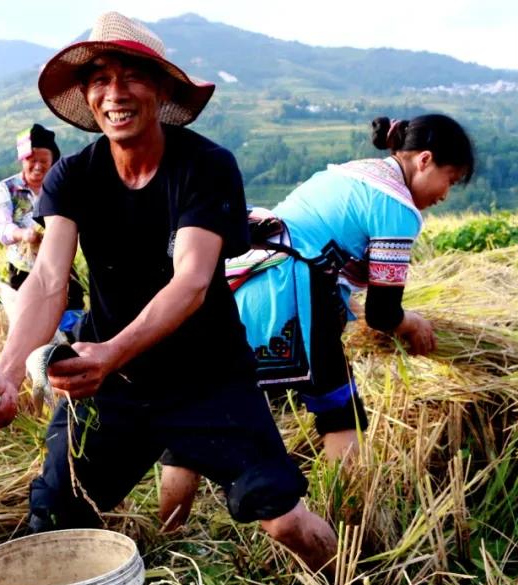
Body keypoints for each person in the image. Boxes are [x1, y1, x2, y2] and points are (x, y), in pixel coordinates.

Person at [0, 11, 338, 572]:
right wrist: (7, 372)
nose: (114, 93)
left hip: (208, 379)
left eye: (131, 76)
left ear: (163, 87)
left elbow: (190, 281)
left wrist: (111, 351)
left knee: (283, 516)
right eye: (99, 79)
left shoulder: (206, 166)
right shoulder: (74, 177)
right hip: (113, 390)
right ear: (86, 95)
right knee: (56, 520)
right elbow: (47, 280)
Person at [160, 114, 476, 530]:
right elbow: (383, 314)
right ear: (425, 160)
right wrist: (410, 322)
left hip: (240, 285)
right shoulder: (396, 205)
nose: (445, 195)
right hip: (293, 296)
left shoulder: (353, 174)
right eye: (450, 180)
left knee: (204, 408)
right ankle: (347, 525)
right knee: (341, 411)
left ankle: (168, 533)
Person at [0, 123, 85, 334]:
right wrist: (24, 235)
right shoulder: (8, 188)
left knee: (73, 317)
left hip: (61, 266)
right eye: (32, 161)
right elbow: (1, 225)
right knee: (29, 326)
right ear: (22, 160)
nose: (38, 167)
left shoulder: (60, 186)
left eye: (44, 161)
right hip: (23, 268)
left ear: (53, 161)